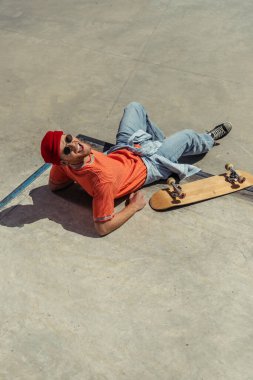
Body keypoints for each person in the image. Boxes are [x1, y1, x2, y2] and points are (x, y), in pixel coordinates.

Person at [40, 102, 232, 236]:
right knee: (188, 136)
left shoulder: (64, 166)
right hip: (151, 163)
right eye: (67, 150)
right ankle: (207, 139)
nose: (74, 145)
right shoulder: (101, 180)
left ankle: (161, 143)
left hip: (125, 148)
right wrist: (133, 207)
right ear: (64, 161)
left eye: (68, 139)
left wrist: (74, 176)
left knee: (135, 107)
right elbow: (103, 227)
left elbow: (54, 187)